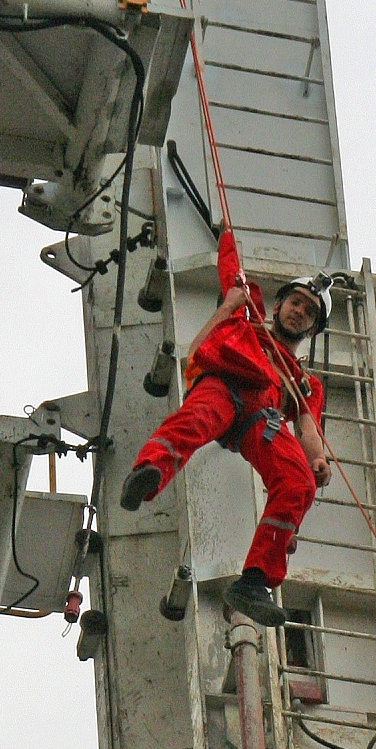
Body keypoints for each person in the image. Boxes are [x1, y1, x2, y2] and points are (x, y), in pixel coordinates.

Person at [119, 229, 333, 627]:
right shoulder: (246, 318)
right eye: (295, 302)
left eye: (308, 311)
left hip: (259, 419)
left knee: (298, 482)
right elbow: (229, 272)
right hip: (224, 384)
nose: (299, 311)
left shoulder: (303, 381)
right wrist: (226, 237)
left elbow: (307, 422)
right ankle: (149, 474)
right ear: (279, 303)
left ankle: (254, 582)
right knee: (195, 420)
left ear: (311, 329)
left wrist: (317, 458)